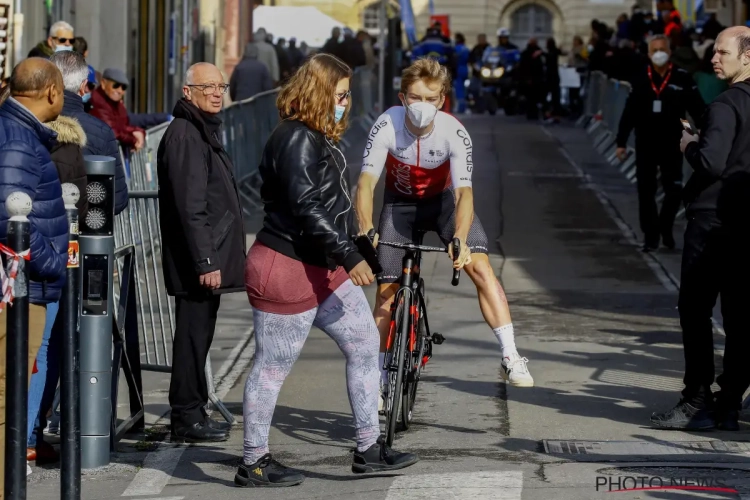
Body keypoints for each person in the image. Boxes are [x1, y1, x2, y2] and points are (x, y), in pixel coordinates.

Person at [238, 53, 419, 488]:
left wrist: (355, 247)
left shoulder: (315, 135)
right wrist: (350, 255)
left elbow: (329, 205)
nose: (347, 101)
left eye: (347, 93)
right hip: (288, 266)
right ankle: (254, 461)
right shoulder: (296, 137)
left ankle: (368, 448)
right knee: (272, 367)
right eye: (340, 94)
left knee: (362, 343)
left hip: (321, 264)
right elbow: (306, 208)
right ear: (320, 93)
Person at [355, 58, 534, 408]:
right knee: (387, 296)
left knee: (481, 269)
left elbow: (465, 193)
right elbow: (365, 183)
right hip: (399, 207)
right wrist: (366, 228)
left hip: (443, 205)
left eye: (431, 98)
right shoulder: (387, 123)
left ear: (442, 101)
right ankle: (375, 380)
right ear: (402, 96)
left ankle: (510, 355)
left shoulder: (454, 131)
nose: (422, 106)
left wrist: (461, 239)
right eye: (415, 97)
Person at [651, 26, 750, 431]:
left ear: (747, 56)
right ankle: (728, 404)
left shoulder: (726, 104)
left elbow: (711, 163)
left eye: (722, 52)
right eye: (713, 51)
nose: (714, 58)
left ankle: (696, 398)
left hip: (713, 222)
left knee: (694, 310)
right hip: (745, 222)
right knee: (740, 316)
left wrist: (689, 143)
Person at [157, 63, 246, 442]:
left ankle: (193, 411)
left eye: (220, 85)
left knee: (200, 337)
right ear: (187, 91)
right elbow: (190, 206)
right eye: (206, 86)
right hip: (197, 262)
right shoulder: (185, 135)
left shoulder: (200, 130)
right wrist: (206, 261)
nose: (216, 92)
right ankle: (187, 417)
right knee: (192, 338)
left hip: (204, 258)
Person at [0, 57, 69, 484]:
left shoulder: (21, 133)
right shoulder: (19, 139)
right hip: (22, 289)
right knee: (8, 397)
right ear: (51, 92)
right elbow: (10, 214)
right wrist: (51, 263)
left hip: (28, 286)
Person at [27, 110, 87, 464]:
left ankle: (27, 434)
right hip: (50, 264)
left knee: (33, 349)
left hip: (29, 261)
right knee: (44, 348)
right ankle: (31, 434)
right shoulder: (67, 147)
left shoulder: (23, 142)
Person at [615, 34, 706, 251]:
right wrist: (621, 142)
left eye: (662, 50)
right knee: (645, 191)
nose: (658, 54)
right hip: (645, 142)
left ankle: (665, 227)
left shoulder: (682, 78)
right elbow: (629, 113)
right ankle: (650, 235)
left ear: (670, 52)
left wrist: (695, 129)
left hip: (673, 143)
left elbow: (694, 110)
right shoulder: (640, 78)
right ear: (648, 53)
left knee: (673, 190)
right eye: (654, 50)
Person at [50, 51, 128, 214]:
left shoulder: (29, 122)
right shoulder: (101, 131)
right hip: (85, 231)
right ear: (84, 86)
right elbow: (118, 200)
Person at [89, 68, 145, 152]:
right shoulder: (98, 102)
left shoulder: (117, 104)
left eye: (123, 87)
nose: (119, 90)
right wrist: (133, 140)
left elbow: (122, 126)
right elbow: (111, 131)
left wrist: (139, 131)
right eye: (116, 85)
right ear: (103, 83)